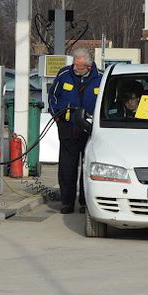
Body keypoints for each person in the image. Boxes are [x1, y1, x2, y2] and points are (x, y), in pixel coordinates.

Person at [47, 46, 101, 215]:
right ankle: (67, 202)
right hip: (68, 127)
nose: (76, 68)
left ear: (89, 65)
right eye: (75, 64)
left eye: (80, 66)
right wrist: (57, 116)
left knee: (88, 165)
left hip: (90, 129)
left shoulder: (100, 77)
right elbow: (52, 96)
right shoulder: (64, 74)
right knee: (67, 166)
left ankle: (85, 202)